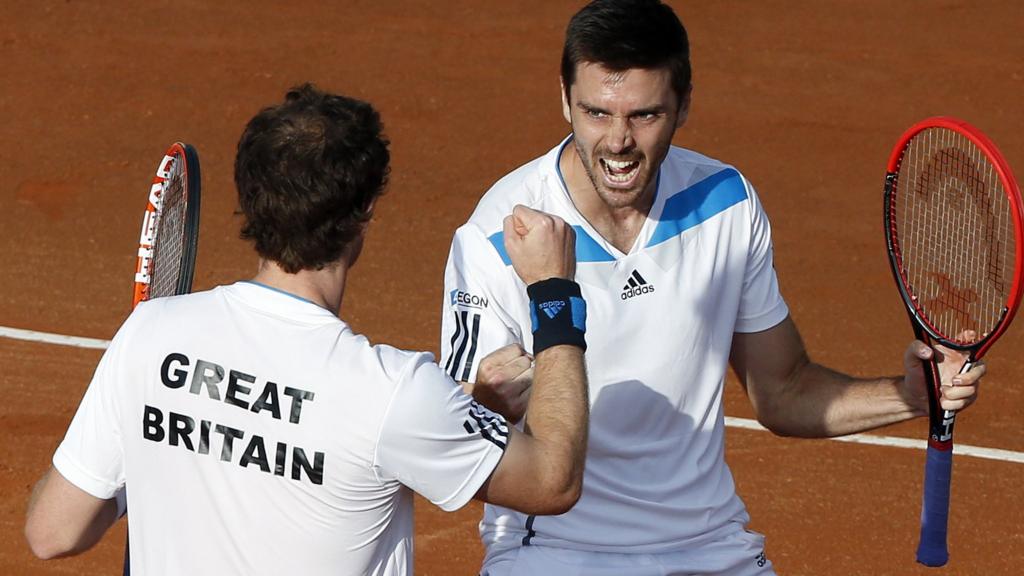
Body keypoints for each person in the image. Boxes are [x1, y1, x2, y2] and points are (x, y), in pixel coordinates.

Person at [439, 1, 984, 574]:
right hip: (553, 553)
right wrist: (485, 404)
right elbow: (452, 443)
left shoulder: (725, 204)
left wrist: (908, 395)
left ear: (684, 105)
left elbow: (783, 389)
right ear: (564, 99)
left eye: (645, 116)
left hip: (710, 546)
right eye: (596, 113)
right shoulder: (497, 235)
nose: (618, 141)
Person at [25, 84, 592, 576]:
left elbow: (53, 532)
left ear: (250, 201)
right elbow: (552, 482)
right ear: (365, 210)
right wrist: (552, 292)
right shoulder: (395, 392)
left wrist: (154, 455)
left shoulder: (148, 335)